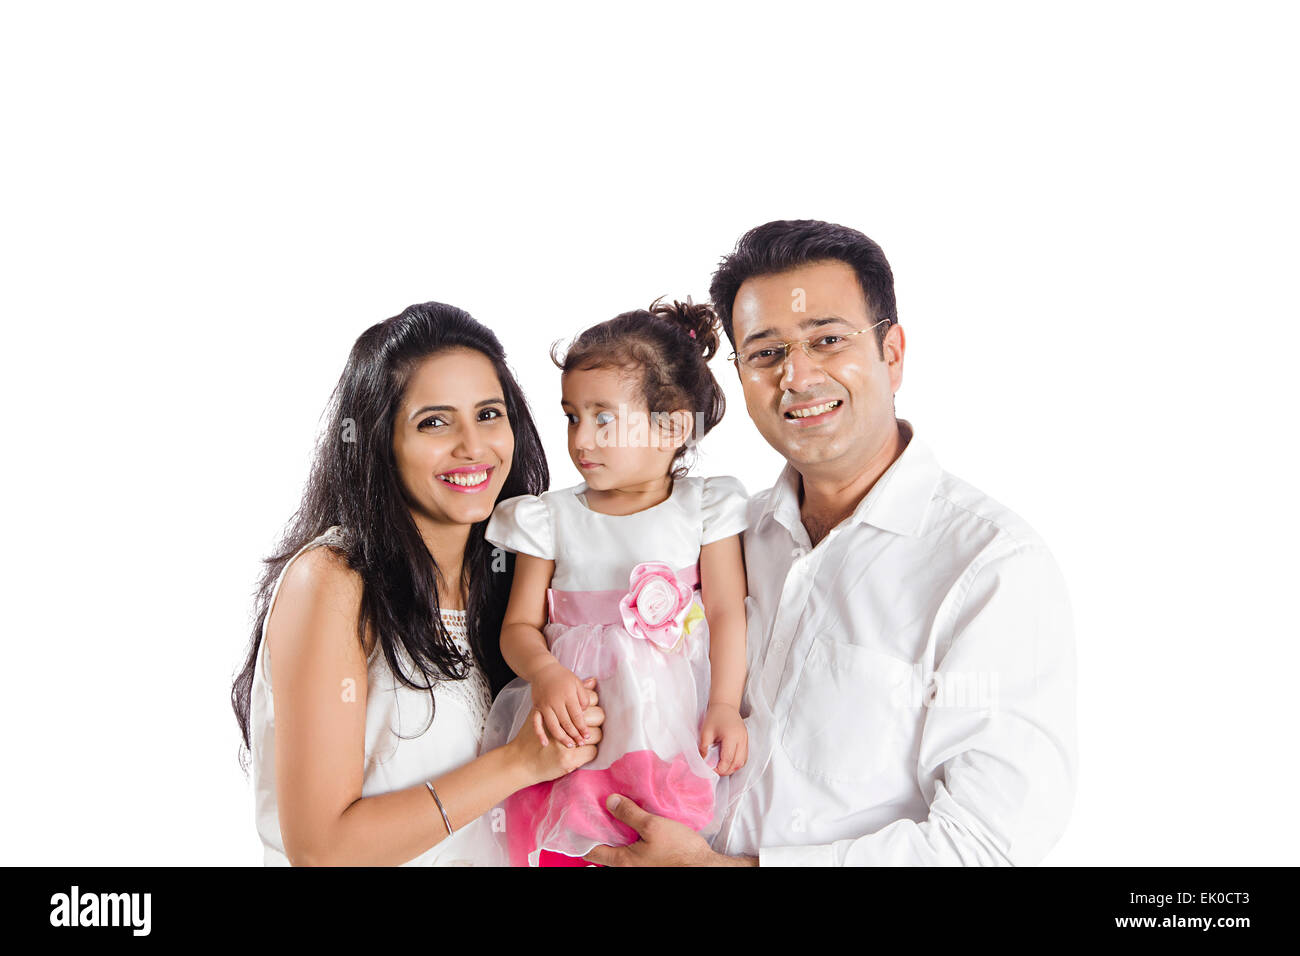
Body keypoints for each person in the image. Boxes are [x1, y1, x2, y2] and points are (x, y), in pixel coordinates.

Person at [585, 220, 1077, 866]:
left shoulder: (989, 568)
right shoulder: (724, 541)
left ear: (892, 353)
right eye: (765, 353)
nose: (798, 375)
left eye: (827, 340)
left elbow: (987, 843)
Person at [230, 301, 605, 866]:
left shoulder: (512, 584)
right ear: (381, 441)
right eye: (434, 421)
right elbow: (322, 852)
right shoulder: (333, 581)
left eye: (488, 414)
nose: (473, 446)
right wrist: (521, 761)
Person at [478, 298, 751, 866]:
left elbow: (727, 612)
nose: (581, 440)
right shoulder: (550, 518)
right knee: (572, 834)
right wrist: (546, 673)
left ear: (673, 425)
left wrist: (725, 702)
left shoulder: (705, 508)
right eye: (572, 416)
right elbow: (520, 627)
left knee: (665, 829)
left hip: (668, 724)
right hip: (580, 722)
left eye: (603, 417)